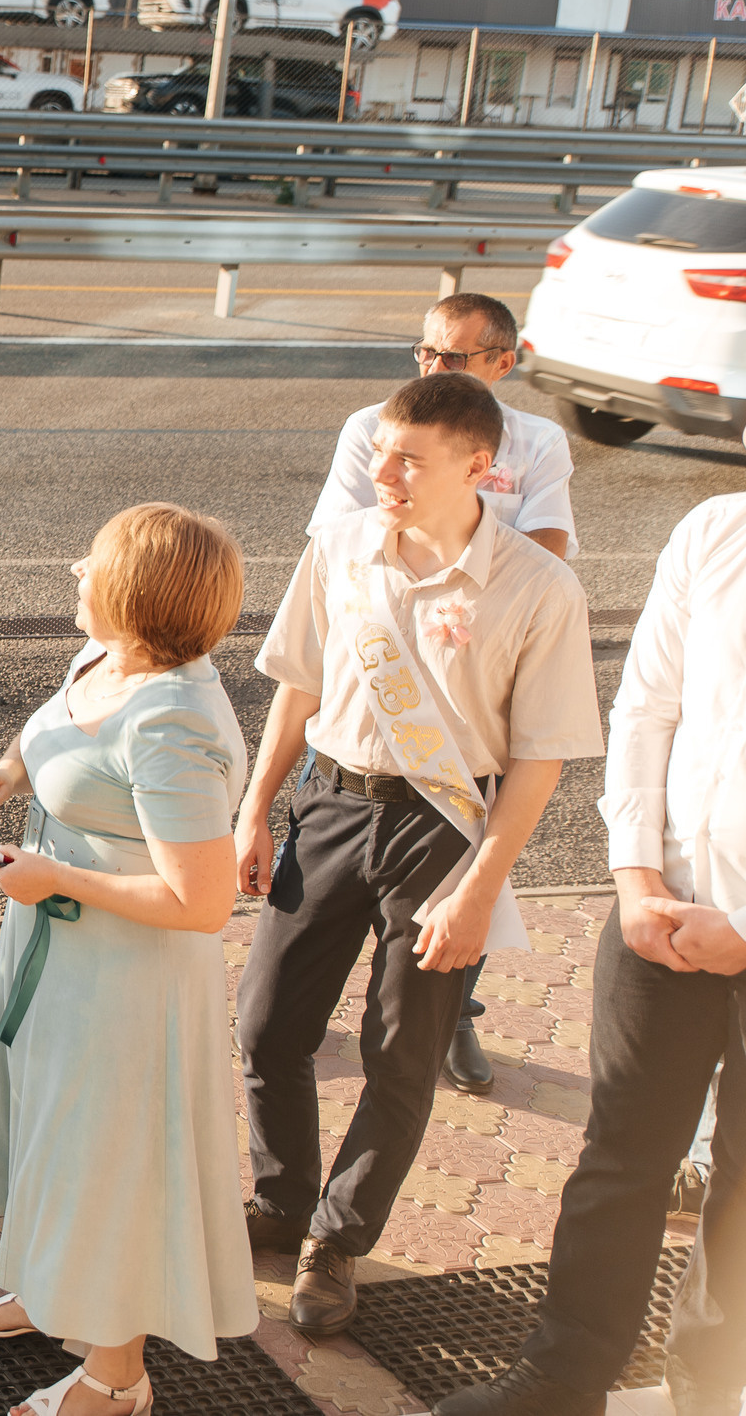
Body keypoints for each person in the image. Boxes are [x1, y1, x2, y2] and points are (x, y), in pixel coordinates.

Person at [234, 372, 602, 1337]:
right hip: (331, 805)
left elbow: (540, 757)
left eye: (410, 458)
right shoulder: (343, 544)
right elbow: (298, 685)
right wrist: (254, 808)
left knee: (403, 1052)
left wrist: (481, 887)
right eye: (381, 449)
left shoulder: (538, 586)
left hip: (445, 829)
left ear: (480, 467)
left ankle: (337, 1240)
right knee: (268, 1023)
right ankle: (280, 1203)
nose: (382, 469)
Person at [434, 495, 746, 1416]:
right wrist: (636, 874)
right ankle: (565, 1379)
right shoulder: (715, 528)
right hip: (666, 912)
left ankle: (710, 1387)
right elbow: (648, 706)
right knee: (621, 1156)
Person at [0, 504, 259, 1416]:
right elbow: (55, 727)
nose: (76, 568)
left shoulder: (173, 721)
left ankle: (117, 1376)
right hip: (57, 946)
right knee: (47, 1123)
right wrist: (9, 771)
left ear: (136, 593)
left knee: (106, 1157)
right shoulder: (104, 658)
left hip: (126, 979)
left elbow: (203, 903)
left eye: (95, 561)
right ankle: (52, 1292)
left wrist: (55, 879)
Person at [306, 291, 575, 1097]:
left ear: (504, 361)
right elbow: (342, 538)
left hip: (470, 684)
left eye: (453, 356)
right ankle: (308, 994)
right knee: (326, 847)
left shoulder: (540, 440)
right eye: (424, 352)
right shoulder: (374, 426)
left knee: (469, 862)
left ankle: (451, 1011)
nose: (433, 367)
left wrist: (471, 571)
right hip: (378, 663)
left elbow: (550, 547)